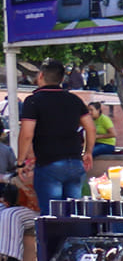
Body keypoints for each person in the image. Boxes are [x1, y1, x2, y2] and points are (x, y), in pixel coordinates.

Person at [19, 60, 92, 210]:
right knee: (74, 213)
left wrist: (20, 161)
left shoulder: (33, 101)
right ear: (62, 79)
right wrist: (88, 151)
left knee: (52, 215)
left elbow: (26, 134)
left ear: (41, 75)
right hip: (74, 162)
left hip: (48, 163)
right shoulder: (74, 99)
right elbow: (90, 128)